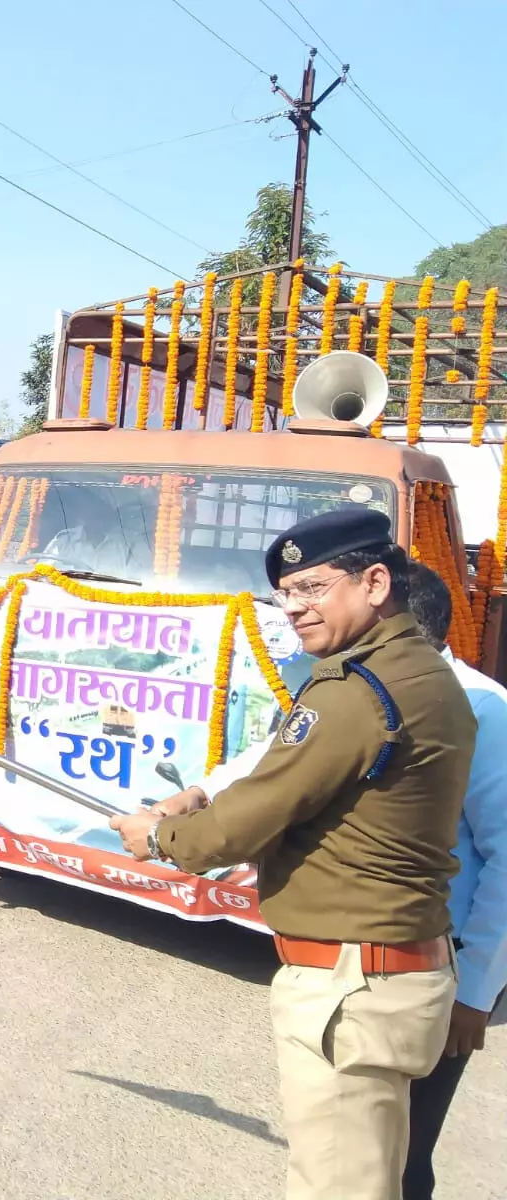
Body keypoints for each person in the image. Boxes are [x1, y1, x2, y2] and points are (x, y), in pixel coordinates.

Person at [109, 508, 475, 1200]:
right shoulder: (421, 672)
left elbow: (238, 826)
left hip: (352, 985)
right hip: (391, 971)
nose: (295, 609)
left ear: (373, 582)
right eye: (285, 595)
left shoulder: (357, 692)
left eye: (312, 588)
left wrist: (159, 837)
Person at [400, 563, 507, 1200]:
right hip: (370, 965)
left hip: (441, 973)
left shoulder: (482, 710)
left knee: (407, 1157)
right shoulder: (366, 690)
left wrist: (475, 994)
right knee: (360, 1147)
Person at [39, 487, 151, 577]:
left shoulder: (132, 543)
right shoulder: (63, 541)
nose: (93, 512)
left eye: (99, 505)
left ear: (109, 509)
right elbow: (40, 574)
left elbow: (143, 582)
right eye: (86, 506)